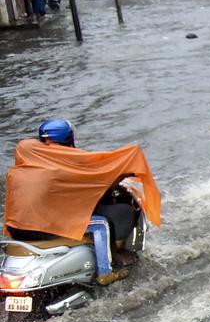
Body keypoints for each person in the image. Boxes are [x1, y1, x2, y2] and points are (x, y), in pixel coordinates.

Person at [6, 119, 163, 285]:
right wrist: (126, 166)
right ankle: (105, 273)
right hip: (42, 227)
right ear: (69, 138)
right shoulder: (63, 166)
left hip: (16, 229)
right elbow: (94, 179)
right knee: (102, 224)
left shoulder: (24, 162)